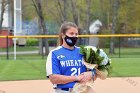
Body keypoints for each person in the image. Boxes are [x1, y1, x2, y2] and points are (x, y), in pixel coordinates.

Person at [46, 22, 96, 93]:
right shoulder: (54, 53)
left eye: (76, 34)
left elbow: (96, 70)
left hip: (82, 90)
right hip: (63, 91)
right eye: (71, 33)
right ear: (63, 35)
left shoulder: (83, 52)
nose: (74, 36)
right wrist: (76, 78)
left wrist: (92, 73)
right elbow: (54, 78)